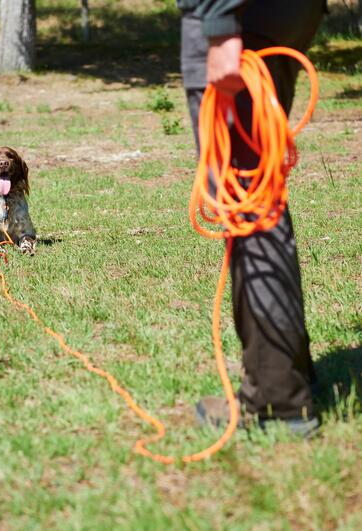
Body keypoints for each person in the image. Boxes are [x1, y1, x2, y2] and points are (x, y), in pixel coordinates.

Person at [177, 0, 327, 437]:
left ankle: (278, 400)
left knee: (251, 207)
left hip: (239, 14)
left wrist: (220, 22)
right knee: (260, 196)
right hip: (281, 13)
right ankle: (289, 367)